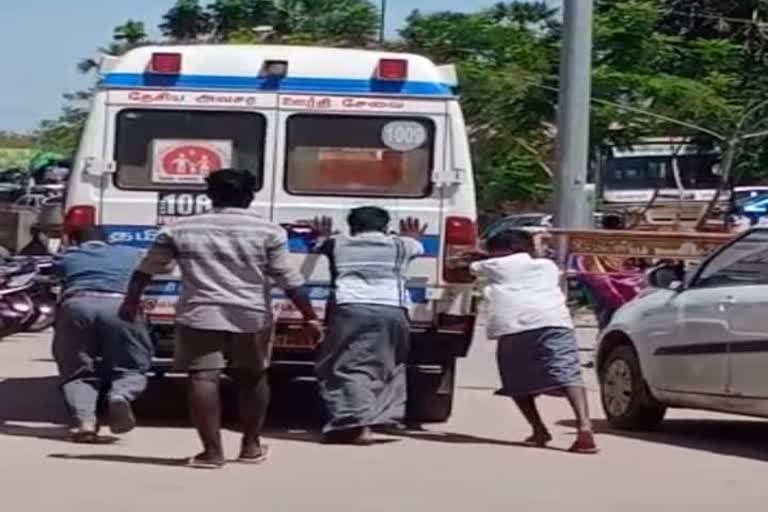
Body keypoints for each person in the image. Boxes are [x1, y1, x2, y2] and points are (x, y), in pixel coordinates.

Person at [119, 168, 322, 469]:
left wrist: (131, 302)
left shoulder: (180, 229)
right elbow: (288, 279)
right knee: (253, 377)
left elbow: (145, 270)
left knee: (202, 376)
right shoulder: (269, 231)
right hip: (251, 313)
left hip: (199, 312)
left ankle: (212, 452)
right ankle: (251, 446)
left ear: (209, 195)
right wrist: (310, 317)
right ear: (250, 197)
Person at [469, 230, 598, 454]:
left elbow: (466, 265)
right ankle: (584, 425)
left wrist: (475, 256)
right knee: (568, 373)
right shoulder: (547, 266)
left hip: (515, 326)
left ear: (498, 249)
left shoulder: (495, 264)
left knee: (517, 381)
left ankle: (539, 429)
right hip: (556, 322)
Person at [310, 208, 426, 444]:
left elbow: (320, 245)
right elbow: (415, 245)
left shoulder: (337, 244)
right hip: (393, 310)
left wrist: (321, 234)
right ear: (385, 227)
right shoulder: (403, 245)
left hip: (351, 309)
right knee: (387, 365)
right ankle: (375, 418)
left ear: (352, 228)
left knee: (345, 365)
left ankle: (356, 425)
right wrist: (411, 236)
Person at [52, 226, 153, 443]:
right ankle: (120, 394)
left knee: (77, 369)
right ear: (107, 241)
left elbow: (52, 275)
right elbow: (160, 265)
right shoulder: (129, 252)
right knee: (132, 364)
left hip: (77, 304)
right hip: (120, 305)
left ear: (75, 241)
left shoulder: (69, 255)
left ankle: (85, 423)